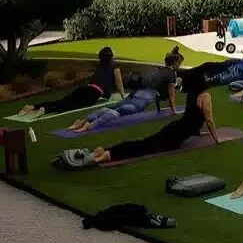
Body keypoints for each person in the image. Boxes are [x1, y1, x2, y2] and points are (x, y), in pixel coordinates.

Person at [90, 67, 219, 164]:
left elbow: (192, 117)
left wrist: (199, 133)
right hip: (176, 134)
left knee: (145, 143)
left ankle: (107, 150)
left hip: (176, 128)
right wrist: (216, 139)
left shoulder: (192, 94)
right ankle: (109, 153)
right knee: (145, 147)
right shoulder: (205, 96)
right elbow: (209, 120)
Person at [67, 47, 185, 132]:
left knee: (113, 106)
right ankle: (90, 126)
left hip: (136, 92)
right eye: (179, 63)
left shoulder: (158, 69)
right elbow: (171, 95)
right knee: (119, 111)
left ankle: (82, 121)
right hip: (146, 96)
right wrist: (174, 111)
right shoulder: (171, 74)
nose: (179, 66)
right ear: (175, 63)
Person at [18, 47, 125, 116]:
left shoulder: (99, 66)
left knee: (62, 100)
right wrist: (123, 96)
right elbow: (119, 83)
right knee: (68, 106)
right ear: (111, 58)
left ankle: (32, 106)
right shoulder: (114, 67)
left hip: (85, 88)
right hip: (94, 93)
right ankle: (44, 109)